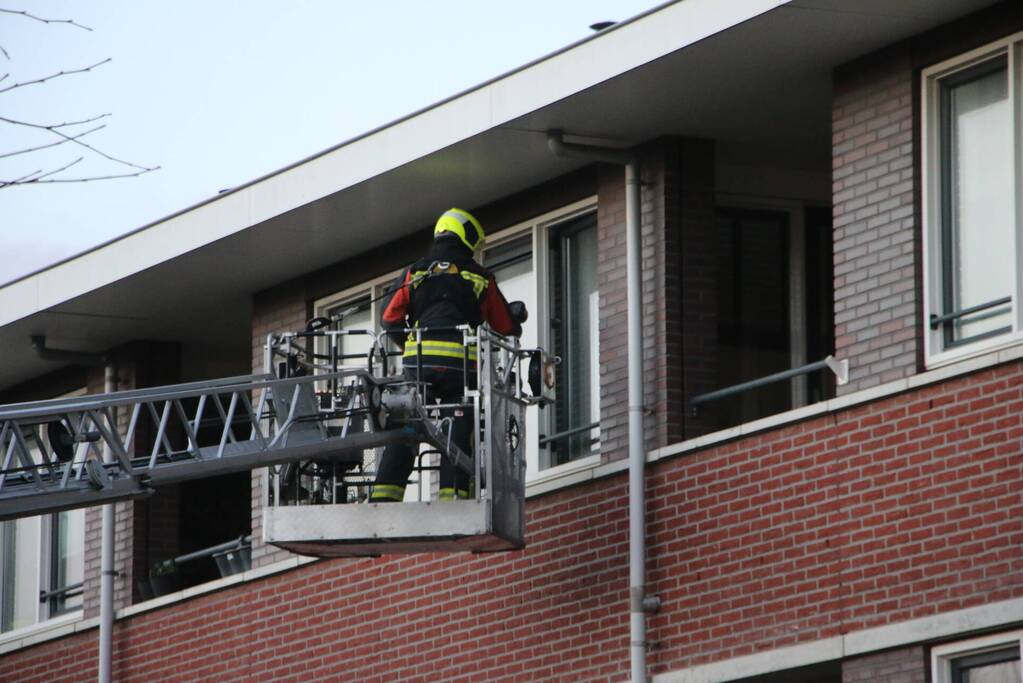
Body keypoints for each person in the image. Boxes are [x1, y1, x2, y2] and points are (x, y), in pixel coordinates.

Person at [370, 208, 522, 502]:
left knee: (407, 427)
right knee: (458, 426)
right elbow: (504, 325)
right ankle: (453, 496)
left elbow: (389, 318)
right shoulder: (480, 277)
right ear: (466, 237)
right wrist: (516, 320)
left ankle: (384, 497)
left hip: (419, 365)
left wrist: (409, 345)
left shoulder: (415, 272)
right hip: (460, 368)